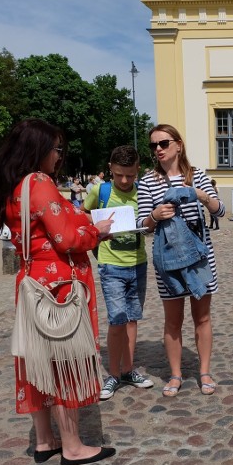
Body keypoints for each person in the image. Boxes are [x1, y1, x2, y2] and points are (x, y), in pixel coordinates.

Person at [0, 118, 116, 465]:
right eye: (57, 148)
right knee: (64, 360)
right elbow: (67, 239)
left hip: (32, 282)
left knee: (37, 360)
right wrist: (97, 232)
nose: (60, 155)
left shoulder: (14, 186)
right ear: (39, 148)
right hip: (58, 285)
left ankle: (45, 441)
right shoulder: (40, 182)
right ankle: (73, 446)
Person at [136, 124, 225, 397]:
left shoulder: (197, 175)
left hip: (199, 257)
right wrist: (154, 216)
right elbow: (141, 224)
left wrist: (198, 193)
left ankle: (205, 371)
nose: (158, 150)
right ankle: (175, 375)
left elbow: (220, 210)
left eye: (163, 143)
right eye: (153, 146)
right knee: (172, 321)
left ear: (178, 145)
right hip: (168, 260)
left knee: (203, 317)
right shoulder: (148, 181)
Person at [83, 145, 153, 400]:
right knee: (117, 320)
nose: (124, 181)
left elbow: (148, 222)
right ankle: (112, 374)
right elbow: (82, 215)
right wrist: (95, 230)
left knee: (132, 318)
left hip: (138, 264)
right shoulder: (99, 191)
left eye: (130, 176)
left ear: (138, 172)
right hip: (111, 266)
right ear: (110, 169)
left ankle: (128, 369)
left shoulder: (142, 194)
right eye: (119, 175)